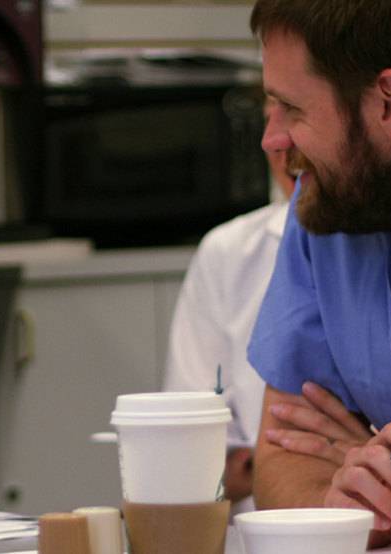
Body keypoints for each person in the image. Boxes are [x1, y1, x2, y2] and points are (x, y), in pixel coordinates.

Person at [245, 0, 391, 547]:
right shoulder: (330, 210)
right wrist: (353, 502)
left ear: (387, 103)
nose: (272, 139)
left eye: (292, 108)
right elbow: (286, 454)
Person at [163, 97, 296, 513]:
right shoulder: (230, 252)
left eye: (297, 111)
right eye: (267, 116)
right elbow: (192, 456)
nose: (273, 140)